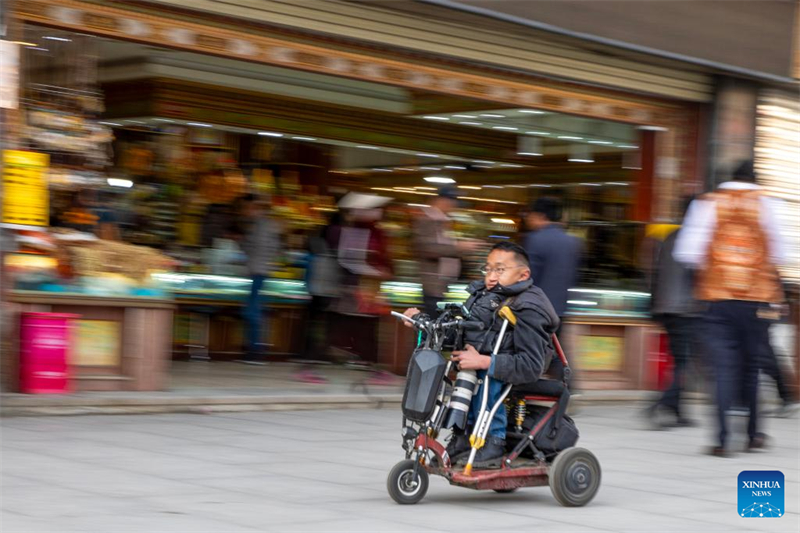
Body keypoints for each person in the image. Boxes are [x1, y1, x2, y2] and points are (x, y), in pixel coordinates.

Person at [403, 242, 559, 466]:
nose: (492, 276)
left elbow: (531, 365)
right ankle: (464, 435)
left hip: (512, 372)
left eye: (500, 269)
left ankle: (493, 441)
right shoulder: (483, 296)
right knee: (457, 370)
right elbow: (463, 333)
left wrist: (484, 361)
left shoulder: (530, 307)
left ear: (523, 274)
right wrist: (423, 324)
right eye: (488, 269)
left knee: (485, 376)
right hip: (483, 364)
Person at [674, 160, 788, 456]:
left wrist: (714, 270)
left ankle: (723, 439)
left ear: (729, 178)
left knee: (723, 368)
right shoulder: (769, 205)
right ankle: (753, 435)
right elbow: (781, 253)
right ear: (755, 179)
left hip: (717, 299)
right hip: (758, 301)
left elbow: (687, 253)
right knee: (751, 368)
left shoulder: (707, 204)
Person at [645, 201, 700, 429]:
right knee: (684, 363)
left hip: (665, 307)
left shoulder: (670, 236)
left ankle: (677, 411)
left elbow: (655, 272)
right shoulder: (697, 239)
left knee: (680, 360)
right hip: (685, 309)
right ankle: (661, 404)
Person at [523, 197, 582, 384]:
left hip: (537, 307)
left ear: (540, 215)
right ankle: (567, 385)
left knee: (534, 349)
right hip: (561, 306)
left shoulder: (535, 239)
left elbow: (528, 276)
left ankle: (535, 387)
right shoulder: (572, 242)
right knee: (556, 348)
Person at [411, 186, 480, 318]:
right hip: (433, 287)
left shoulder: (443, 221)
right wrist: (459, 247)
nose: (453, 205)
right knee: (432, 325)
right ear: (441, 201)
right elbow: (428, 249)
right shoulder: (427, 220)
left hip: (442, 286)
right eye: (451, 201)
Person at [238, 194, 280, 365]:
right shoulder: (268, 225)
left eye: (248, 208)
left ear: (256, 209)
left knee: (252, 312)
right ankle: (255, 349)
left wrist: (241, 242)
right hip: (262, 271)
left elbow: (254, 249)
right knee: (255, 311)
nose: (246, 211)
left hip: (258, 272)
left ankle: (255, 350)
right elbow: (272, 249)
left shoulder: (260, 226)